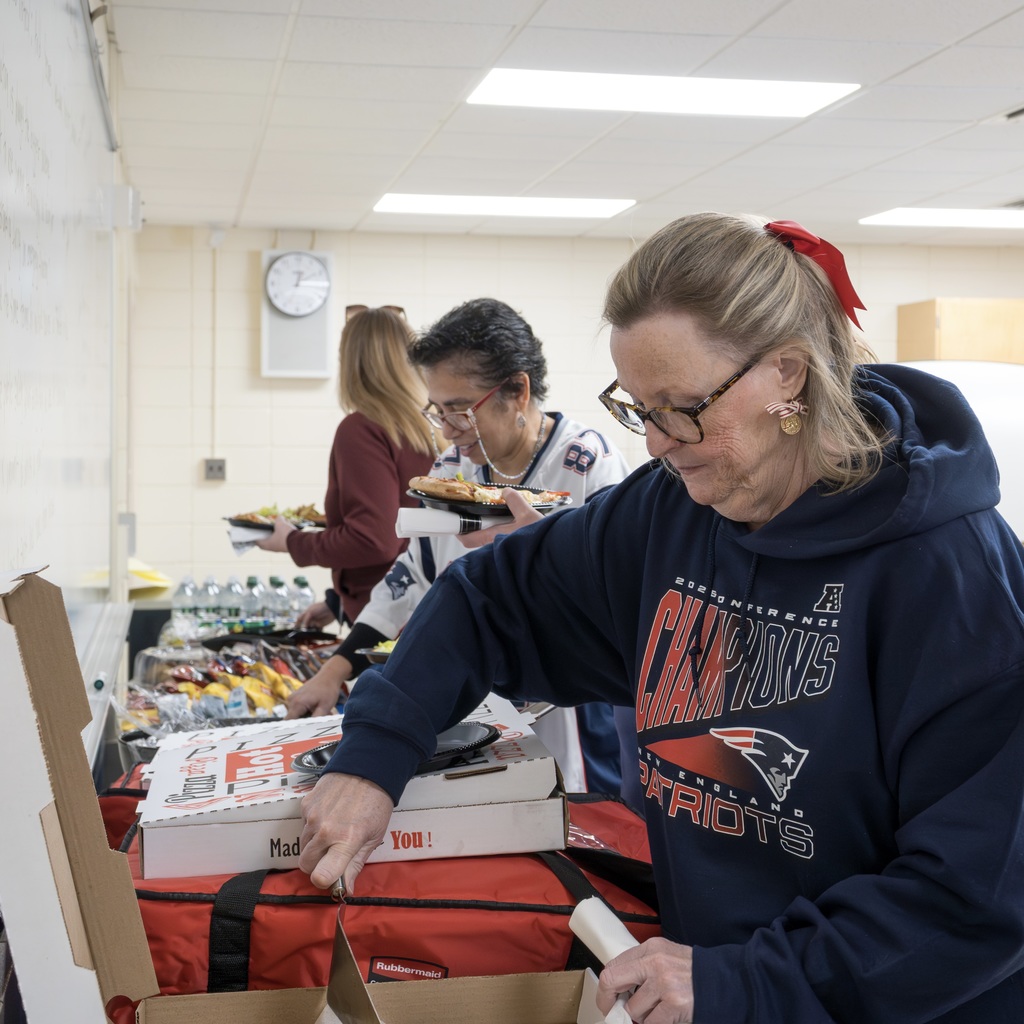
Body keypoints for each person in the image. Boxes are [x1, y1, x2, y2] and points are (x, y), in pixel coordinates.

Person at [297, 214, 1024, 1023]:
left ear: (786, 374)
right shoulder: (671, 512)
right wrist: (377, 749)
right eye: (636, 408)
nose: (655, 444)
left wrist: (746, 981)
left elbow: (980, 894)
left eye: (681, 407)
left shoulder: (951, 574)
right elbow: (489, 598)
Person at [286, 296, 633, 796]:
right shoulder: (453, 471)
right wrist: (335, 669)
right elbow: (409, 577)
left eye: (459, 411)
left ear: (516, 390)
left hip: (574, 716)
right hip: (487, 708)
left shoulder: (586, 464)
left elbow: (620, 602)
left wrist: (540, 553)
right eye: (438, 411)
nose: (447, 431)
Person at [255, 306, 434, 626]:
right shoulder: (433, 426)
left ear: (351, 363)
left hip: (386, 616)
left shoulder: (363, 428)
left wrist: (291, 542)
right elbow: (405, 530)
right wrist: (339, 600)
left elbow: (374, 540)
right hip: (424, 606)